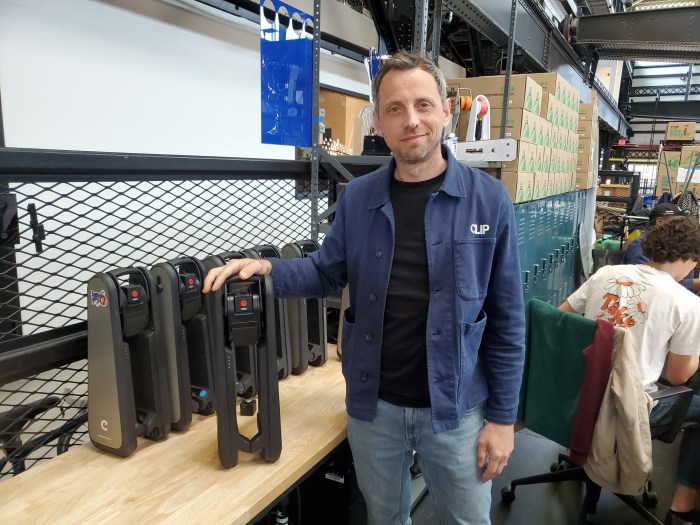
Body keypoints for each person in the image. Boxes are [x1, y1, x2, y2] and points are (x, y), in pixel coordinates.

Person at [203, 50, 526, 524]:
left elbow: (507, 319)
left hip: (457, 410)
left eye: (422, 105)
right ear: (378, 120)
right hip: (375, 409)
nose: (410, 120)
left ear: (444, 110)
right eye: (394, 108)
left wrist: (502, 419)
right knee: (385, 517)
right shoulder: (358, 198)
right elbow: (324, 272)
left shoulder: (488, 199)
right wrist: (267, 269)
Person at [561, 217, 700, 525]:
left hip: (575, 394)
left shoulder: (607, 273)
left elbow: (560, 322)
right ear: (689, 259)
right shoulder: (687, 304)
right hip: (628, 407)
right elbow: (678, 376)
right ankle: (682, 505)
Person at [622, 203, 700, 293]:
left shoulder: (675, 244)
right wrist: (693, 284)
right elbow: (646, 283)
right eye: (677, 222)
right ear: (659, 222)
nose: (682, 226)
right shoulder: (640, 245)